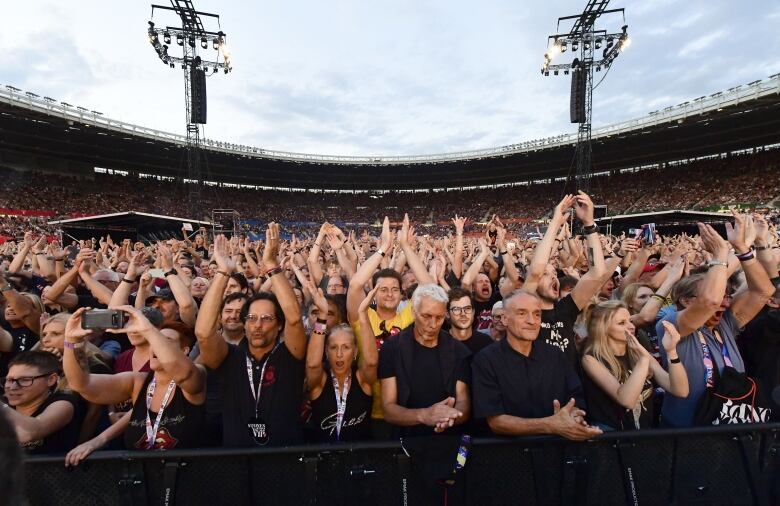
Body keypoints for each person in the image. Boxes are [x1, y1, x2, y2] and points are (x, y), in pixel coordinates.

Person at [655, 217, 775, 427]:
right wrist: (720, 256)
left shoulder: (725, 323)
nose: (724, 303)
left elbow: (764, 291)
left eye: (727, 296)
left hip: (729, 423)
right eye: (720, 295)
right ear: (685, 300)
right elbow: (709, 302)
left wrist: (743, 249)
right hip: (686, 431)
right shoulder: (670, 323)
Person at [194, 226, 308, 447]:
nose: (257, 325)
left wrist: (272, 265)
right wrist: (223, 273)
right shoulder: (229, 357)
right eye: (252, 318)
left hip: (286, 461)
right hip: (237, 464)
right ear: (244, 324)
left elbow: (294, 318)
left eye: (266, 318)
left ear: (279, 326)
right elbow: (203, 332)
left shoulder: (290, 355)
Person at [62, 306, 206, 450]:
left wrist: (149, 330)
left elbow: (182, 374)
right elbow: (80, 384)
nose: (156, 346)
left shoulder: (197, 374)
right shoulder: (138, 382)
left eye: (165, 341)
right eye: (154, 341)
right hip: (140, 470)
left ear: (184, 350)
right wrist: (71, 341)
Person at [471, 291, 602, 440]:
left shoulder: (555, 355)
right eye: (522, 313)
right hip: (509, 455)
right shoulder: (486, 360)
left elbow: (575, 397)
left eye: (537, 314)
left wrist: (574, 415)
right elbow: (496, 422)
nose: (531, 321)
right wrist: (551, 425)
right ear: (505, 319)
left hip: (557, 451)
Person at [522, 193, 608, 366]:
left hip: (572, 390)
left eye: (554, 272)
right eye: (546, 274)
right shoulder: (525, 310)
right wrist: (555, 223)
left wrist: (589, 224)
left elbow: (598, 273)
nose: (553, 276)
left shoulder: (565, 309)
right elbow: (536, 271)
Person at [378, 283, 471, 436]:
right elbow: (388, 408)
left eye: (439, 318)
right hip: (405, 442)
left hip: (448, 440)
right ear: (414, 312)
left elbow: (464, 402)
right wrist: (424, 415)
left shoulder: (458, 351)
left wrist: (450, 417)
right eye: (426, 316)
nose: (433, 325)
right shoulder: (392, 348)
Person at [581, 301, 689, 430]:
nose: (631, 326)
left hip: (644, 439)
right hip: (613, 441)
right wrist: (643, 360)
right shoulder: (590, 359)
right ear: (602, 328)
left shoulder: (639, 354)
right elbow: (626, 400)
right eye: (622, 323)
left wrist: (671, 351)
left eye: (630, 321)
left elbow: (680, 390)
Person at [306, 286, 378, 442]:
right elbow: (312, 365)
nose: (339, 354)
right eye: (333, 347)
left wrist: (363, 317)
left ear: (355, 352)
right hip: (324, 458)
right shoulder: (320, 381)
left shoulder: (361, 379)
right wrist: (322, 317)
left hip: (358, 460)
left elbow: (371, 362)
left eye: (346, 347)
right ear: (325, 352)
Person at [1, 351, 80, 454]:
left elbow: (27, 433)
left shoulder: (63, 403)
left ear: (51, 379)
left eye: (25, 380)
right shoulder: (4, 402)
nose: (13, 387)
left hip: (49, 469)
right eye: (10, 380)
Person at [447, 287, 493, 355]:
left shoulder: (487, 343)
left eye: (467, 308)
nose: (463, 314)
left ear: (473, 312)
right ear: (447, 314)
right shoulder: (440, 342)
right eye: (456, 309)